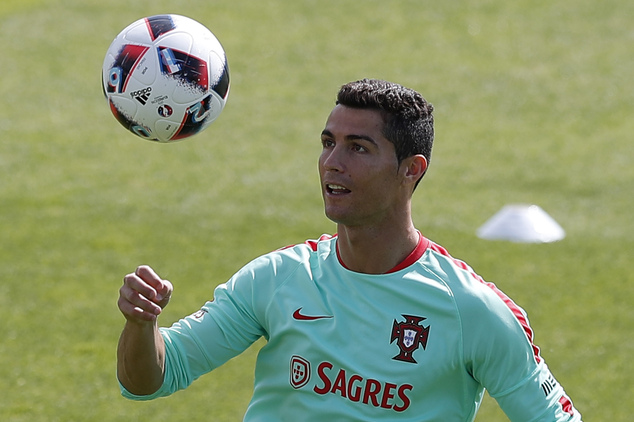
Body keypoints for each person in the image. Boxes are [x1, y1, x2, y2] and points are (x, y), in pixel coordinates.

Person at [117, 79, 582, 421]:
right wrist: (143, 325)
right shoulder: (278, 278)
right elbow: (153, 377)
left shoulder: (470, 309)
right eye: (328, 142)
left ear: (411, 170)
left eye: (358, 148)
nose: (332, 163)